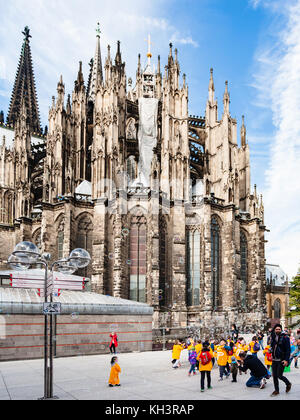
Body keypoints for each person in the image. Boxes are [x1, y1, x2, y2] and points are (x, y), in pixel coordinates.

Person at [270, 324, 292, 397]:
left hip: (281, 360)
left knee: (279, 375)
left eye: (279, 329)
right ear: (274, 330)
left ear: (281, 330)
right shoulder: (273, 337)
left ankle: (288, 383)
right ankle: (276, 390)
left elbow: (288, 350)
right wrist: (271, 352)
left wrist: (286, 360)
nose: (278, 330)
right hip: (274, 359)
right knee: (274, 376)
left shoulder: (285, 337)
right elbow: (272, 347)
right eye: (276, 329)